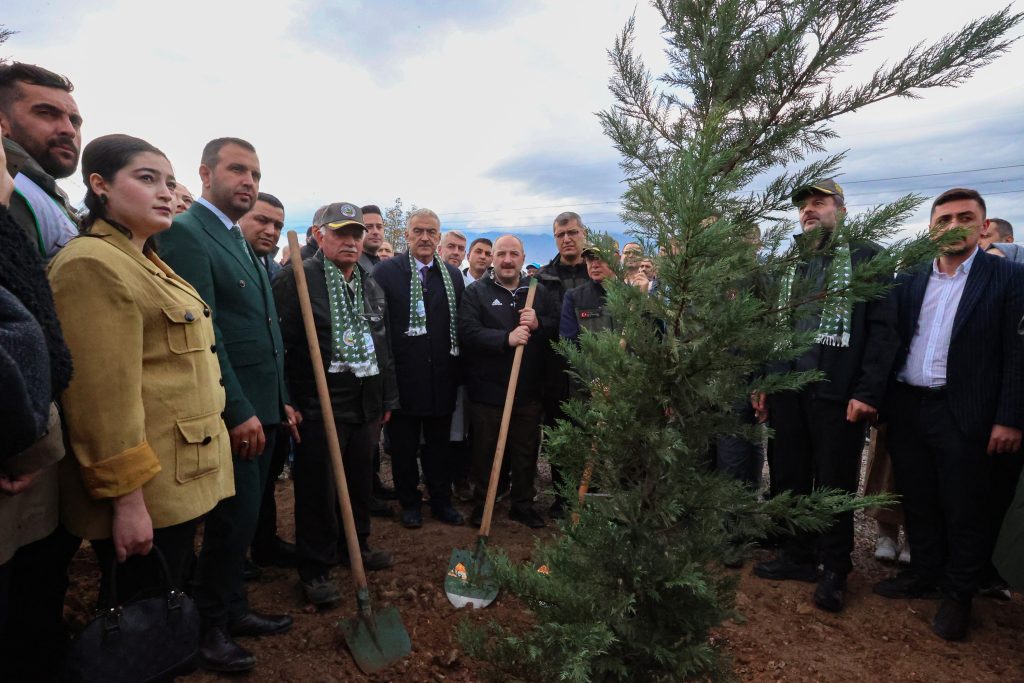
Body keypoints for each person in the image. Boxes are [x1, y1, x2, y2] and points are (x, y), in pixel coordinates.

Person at [49, 134, 234, 638]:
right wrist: (127, 502)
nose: (166, 192)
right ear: (100, 185)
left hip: (174, 479)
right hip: (143, 493)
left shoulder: (144, 259)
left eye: (170, 182)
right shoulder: (92, 264)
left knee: (162, 608)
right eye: (147, 178)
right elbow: (101, 403)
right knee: (141, 623)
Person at [158, 137, 299, 672]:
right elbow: (206, 334)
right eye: (238, 169)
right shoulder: (189, 234)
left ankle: (232, 607)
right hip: (231, 411)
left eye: (255, 174)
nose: (249, 181)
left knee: (244, 518)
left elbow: (260, 329)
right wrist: (236, 410)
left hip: (263, 406)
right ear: (205, 174)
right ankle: (208, 626)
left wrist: (281, 401)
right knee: (230, 521)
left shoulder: (237, 239)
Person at [873, 188, 1024, 641]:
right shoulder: (910, 277)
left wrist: (1010, 418)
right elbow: (892, 340)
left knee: (965, 506)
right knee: (918, 498)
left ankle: (959, 595)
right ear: (931, 229)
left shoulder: (1008, 279)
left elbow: (1018, 355)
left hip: (966, 412)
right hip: (910, 407)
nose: (953, 226)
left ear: (983, 226)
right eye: (943, 220)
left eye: (964, 217)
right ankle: (925, 574)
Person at [752, 179, 896, 614]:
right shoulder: (790, 263)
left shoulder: (868, 257)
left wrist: (867, 391)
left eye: (819, 202)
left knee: (834, 483)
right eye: (803, 206)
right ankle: (798, 553)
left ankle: (834, 567)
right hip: (789, 389)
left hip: (838, 392)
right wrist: (766, 382)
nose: (808, 211)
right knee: (789, 473)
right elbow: (772, 328)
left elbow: (883, 332)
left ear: (842, 210)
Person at [273, 202, 399, 606]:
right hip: (319, 404)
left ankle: (355, 545)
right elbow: (280, 346)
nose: (351, 241)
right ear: (319, 235)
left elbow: (383, 346)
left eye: (356, 233)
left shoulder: (369, 283)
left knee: (360, 481)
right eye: (341, 232)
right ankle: (315, 568)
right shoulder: (298, 279)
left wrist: (387, 396)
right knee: (318, 489)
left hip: (365, 403)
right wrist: (287, 400)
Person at [0, 130, 76, 683]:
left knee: (35, 579)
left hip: (30, 444)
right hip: (18, 446)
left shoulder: (30, 209)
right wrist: (16, 437)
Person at [371, 208, 465, 529]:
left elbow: (458, 326)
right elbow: (379, 330)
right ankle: (409, 503)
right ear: (407, 235)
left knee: (439, 448)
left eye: (431, 232)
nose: (425, 237)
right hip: (404, 380)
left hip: (441, 379)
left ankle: (441, 501)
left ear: (439, 237)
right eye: (418, 231)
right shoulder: (386, 273)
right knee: (403, 448)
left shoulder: (452, 276)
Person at [460, 235, 559, 528]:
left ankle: (523, 504)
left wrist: (539, 323)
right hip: (488, 391)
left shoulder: (537, 293)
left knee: (525, 451)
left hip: (528, 391)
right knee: (485, 451)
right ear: (493, 258)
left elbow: (557, 327)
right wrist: (506, 338)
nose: (507, 259)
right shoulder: (477, 292)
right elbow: (468, 332)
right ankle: (484, 502)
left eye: (513, 254)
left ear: (522, 258)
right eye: (501, 253)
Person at [238, 192, 295, 573]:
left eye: (277, 224)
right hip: (242, 399)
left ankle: (265, 543)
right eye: (261, 220)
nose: (271, 230)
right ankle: (232, 563)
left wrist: (283, 397)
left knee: (267, 477)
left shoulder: (269, 267)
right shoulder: (233, 260)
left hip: (273, 395)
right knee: (241, 489)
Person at [537, 212, 591, 518]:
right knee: (559, 434)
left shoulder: (597, 272)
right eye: (560, 235)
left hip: (593, 369)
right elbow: (541, 323)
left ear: (583, 233)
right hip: (555, 370)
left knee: (591, 431)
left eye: (572, 232)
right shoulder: (543, 279)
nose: (567, 239)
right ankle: (562, 495)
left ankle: (590, 495)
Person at [0, 63, 81, 261]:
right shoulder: (11, 188)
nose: (70, 130)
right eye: (46, 113)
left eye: (74, 121)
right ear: (2, 124)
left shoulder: (39, 190)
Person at [239, 192, 285, 281]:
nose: (271, 232)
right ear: (239, 218)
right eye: (262, 220)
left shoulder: (279, 273)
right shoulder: (217, 260)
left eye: (278, 226)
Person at [359, 204, 386, 272]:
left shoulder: (386, 266)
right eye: (369, 227)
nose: (375, 232)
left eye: (379, 227)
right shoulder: (351, 266)